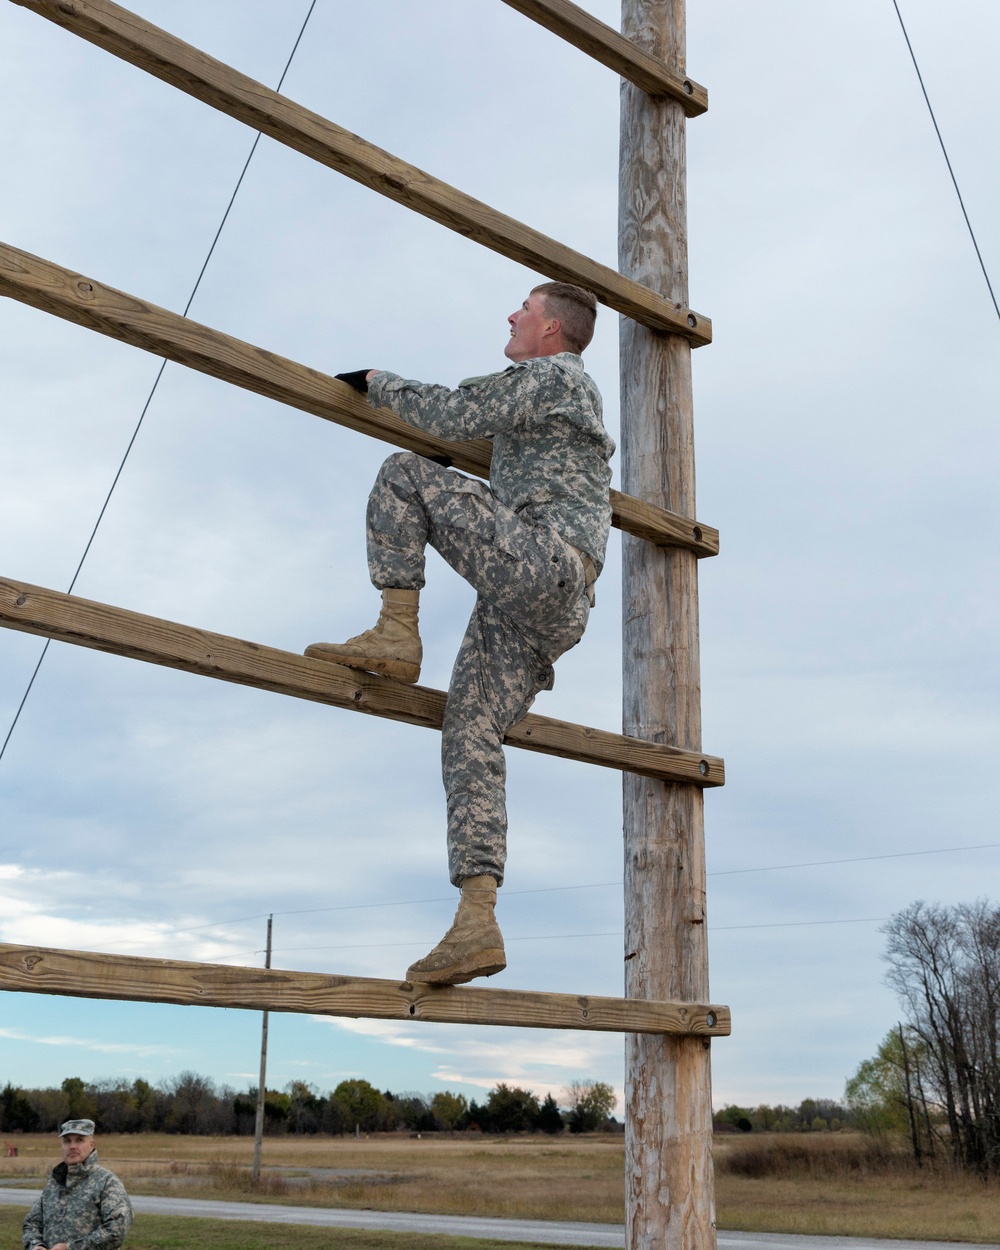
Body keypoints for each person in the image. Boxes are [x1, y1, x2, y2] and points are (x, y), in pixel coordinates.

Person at [308, 282, 614, 986]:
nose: (511, 315)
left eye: (524, 310)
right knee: (469, 727)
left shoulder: (550, 378)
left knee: (405, 473)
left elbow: (452, 413)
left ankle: (396, 631)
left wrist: (375, 381)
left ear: (550, 333)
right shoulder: (555, 399)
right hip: (552, 601)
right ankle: (477, 919)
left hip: (543, 562)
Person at [23, 1119, 133, 1250]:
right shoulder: (54, 1184)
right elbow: (32, 1223)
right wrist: (36, 1245)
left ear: (91, 1145)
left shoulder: (107, 1182)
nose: (72, 1146)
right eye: (67, 1141)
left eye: (79, 1140)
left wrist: (71, 1248)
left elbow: (116, 1230)